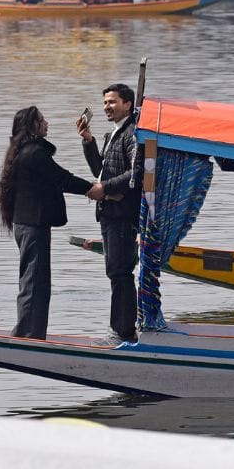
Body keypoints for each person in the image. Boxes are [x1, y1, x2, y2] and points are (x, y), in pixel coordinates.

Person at [0, 106, 102, 340]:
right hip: (32, 225)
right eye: (42, 120)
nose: (47, 123)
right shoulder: (34, 153)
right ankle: (29, 334)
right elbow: (62, 178)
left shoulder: (22, 151)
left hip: (27, 224)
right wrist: (93, 190)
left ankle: (29, 331)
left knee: (34, 279)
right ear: (33, 126)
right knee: (35, 282)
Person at [77, 83, 141, 344]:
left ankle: (124, 331)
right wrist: (88, 140)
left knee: (120, 271)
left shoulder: (133, 132)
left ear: (127, 104)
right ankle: (122, 329)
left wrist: (106, 188)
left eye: (112, 102)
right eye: (105, 103)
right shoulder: (114, 133)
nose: (107, 107)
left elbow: (138, 173)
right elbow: (100, 170)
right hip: (110, 212)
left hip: (123, 213)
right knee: (116, 271)